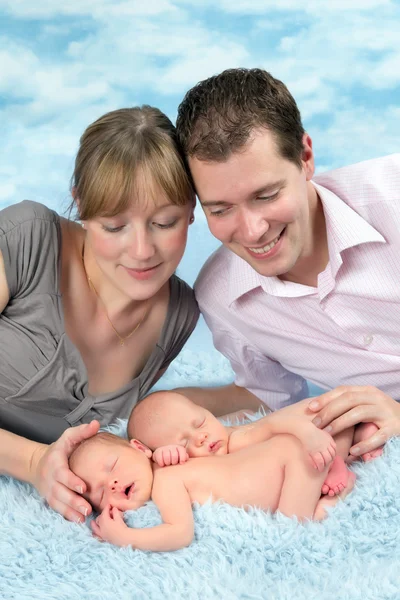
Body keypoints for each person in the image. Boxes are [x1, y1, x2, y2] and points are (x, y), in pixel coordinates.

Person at [170, 67, 400, 458]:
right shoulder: (221, 298)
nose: (253, 230)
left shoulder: (392, 196)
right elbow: (264, 394)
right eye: (221, 209)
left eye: (266, 195)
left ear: (305, 157)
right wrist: (143, 408)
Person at [0, 106, 199, 524]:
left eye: (165, 222)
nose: (143, 251)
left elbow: (182, 407)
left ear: (192, 210)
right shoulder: (27, 240)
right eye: (114, 227)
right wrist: (34, 463)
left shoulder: (179, 313)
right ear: (82, 207)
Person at [69, 431, 355, 552]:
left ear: (141, 448)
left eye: (112, 466)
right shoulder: (172, 463)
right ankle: (331, 467)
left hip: (291, 461)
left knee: (297, 524)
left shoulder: (167, 479)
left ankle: (341, 485)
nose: (113, 484)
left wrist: (124, 537)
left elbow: (179, 533)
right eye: (101, 495)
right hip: (286, 456)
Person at [128, 390, 382, 496]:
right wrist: (164, 456)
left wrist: (309, 435)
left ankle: (343, 453)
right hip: (325, 421)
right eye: (184, 444)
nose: (201, 437)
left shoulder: (237, 438)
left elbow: (276, 426)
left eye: (200, 423)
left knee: (324, 449)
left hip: (318, 423)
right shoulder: (219, 450)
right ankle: (359, 433)